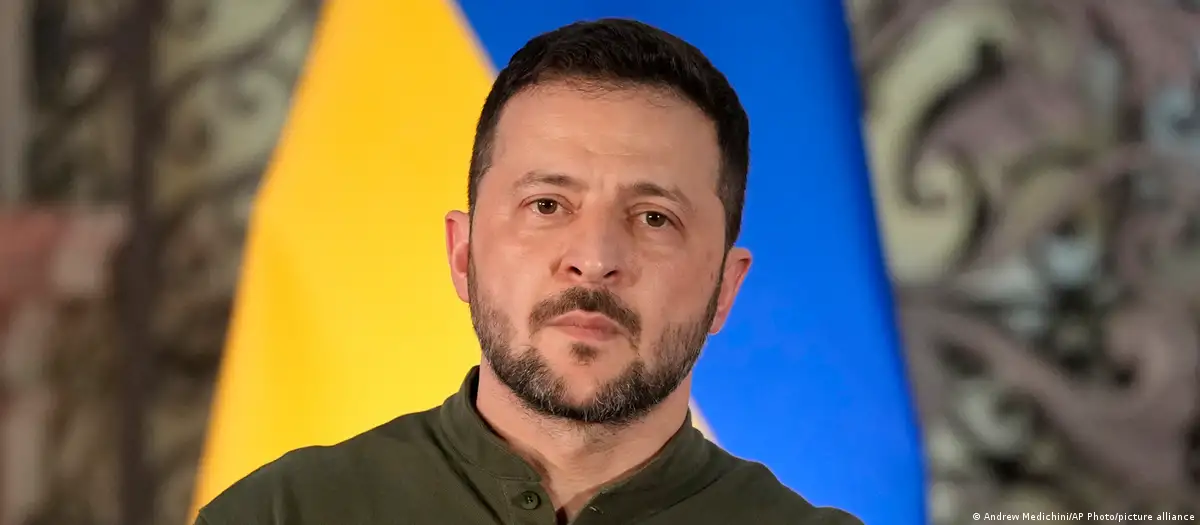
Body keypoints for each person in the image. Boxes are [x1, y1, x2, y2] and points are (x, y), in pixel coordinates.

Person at [195, 18, 863, 525]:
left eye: (655, 217)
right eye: (547, 205)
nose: (594, 258)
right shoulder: (283, 513)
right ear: (463, 253)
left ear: (725, 287)